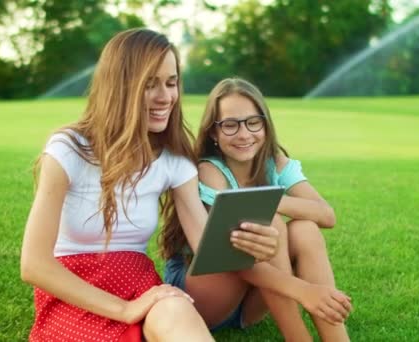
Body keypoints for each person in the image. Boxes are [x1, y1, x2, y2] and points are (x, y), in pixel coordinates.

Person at [20, 29, 279, 342]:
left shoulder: (173, 160)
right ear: (119, 87)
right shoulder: (68, 150)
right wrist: (124, 310)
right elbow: (34, 265)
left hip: (138, 281)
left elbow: (207, 245)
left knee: (176, 311)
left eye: (171, 83)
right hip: (74, 287)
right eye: (149, 84)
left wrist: (259, 249)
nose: (165, 97)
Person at [161, 77, 351, 341]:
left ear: (265, 124)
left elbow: (326, 215)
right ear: (214, 132)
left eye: (253, 122)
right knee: (267, 224)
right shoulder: (209, 171)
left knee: (304, 229)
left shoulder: (276, 163)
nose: (244, 134)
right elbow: (225, 254)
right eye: (230, 125)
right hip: (201, 294)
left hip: (250, 303)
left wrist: (268, 199)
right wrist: (302, 290)